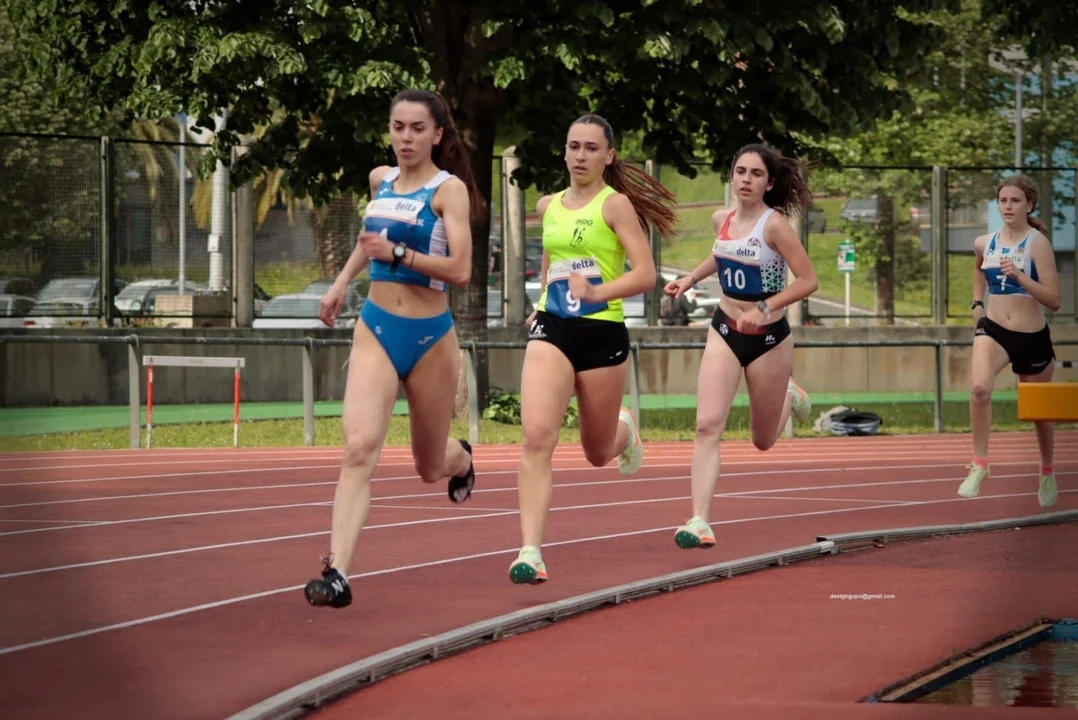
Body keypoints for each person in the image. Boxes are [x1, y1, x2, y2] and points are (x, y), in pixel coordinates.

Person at [304, 89, 485, 609]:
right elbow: (369, 240)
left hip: (431, 339)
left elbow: (461, 270)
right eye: (398, 127)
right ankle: (338, 572)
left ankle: (461, 460)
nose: (406, 138)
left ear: (437, 135)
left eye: (417, 129)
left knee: (428, 467)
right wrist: (341, 283)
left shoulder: (448, 191)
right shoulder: (379, 180)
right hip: (377, 328)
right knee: (359, 448)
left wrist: (401, 252)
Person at [508, 113, 679, 584]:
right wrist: (541, 303)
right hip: (553, 327)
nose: (580, 156)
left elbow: (645, 274)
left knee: (597, 452)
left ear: (609, 156)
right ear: (564, 151)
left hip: (601, 332)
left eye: (590, 148)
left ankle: (625, 431)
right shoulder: (549, 205)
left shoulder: (615, 205)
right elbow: (553, 257)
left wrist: (596, 293)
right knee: (537, 436)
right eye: (573, 146)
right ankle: (530, 552)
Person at [663, 144, 818, 550]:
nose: (746, 180)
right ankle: (699, 520)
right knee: (706, 425)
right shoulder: (723, 218)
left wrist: (764, 308)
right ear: (731, 176)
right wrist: (690, 279)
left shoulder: (775, 226)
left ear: (769, 183)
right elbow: (721, 254)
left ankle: (788, 394)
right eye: (740, 171)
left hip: (768, 339)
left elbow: (808, 280)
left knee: (762, 440)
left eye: (756, 174)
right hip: (725, 329)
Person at [958, 174, 1059, 508]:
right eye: (1003, 200)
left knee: (1038, 413)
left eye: (1015, 201)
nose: (1008, 206)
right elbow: (978, 269)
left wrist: (1020, 277)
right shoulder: (984, 242)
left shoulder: (1037, 244)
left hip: (1031, 337)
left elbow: (1054, 300)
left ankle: (1047, 470)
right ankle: (980, 464)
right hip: (995, 330)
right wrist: (977, 303)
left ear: (1029, 205)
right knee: (979, 389)